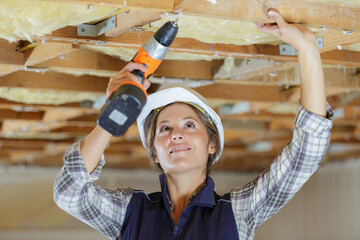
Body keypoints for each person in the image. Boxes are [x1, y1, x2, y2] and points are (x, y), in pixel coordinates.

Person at [54, 10, 333, 240]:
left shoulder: (235, 213)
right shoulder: (132, 213)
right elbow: (69, 193)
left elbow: (306, 153)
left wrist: (306, 46)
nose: (176, 134)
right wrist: (113, 111)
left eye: (189, 125)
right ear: (154, 152)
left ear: (212, 144)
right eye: (164, 128)